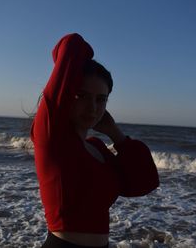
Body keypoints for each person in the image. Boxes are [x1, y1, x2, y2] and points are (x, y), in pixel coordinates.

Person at [31, 33, 159, 248]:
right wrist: (85, 62)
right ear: (67, 96)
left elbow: (144, 183)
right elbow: (71, 44)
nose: (92, 107)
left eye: (101, 99)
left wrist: (116, 134)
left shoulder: (98, 148)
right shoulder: (53, 138)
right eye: (82, 96)